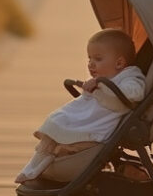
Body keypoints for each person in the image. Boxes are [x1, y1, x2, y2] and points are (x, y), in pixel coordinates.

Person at [15, 28, 146, 183]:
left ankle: (42, 166)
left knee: (60, 136)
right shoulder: (108, 77)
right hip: (87, 123)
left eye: (97, 59)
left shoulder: (130, 77)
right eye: (89, 59)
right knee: (57, 123)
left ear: (119, 62)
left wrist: (101, 84)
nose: (91, 64)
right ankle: (35, 166)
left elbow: (135, 93)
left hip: (95, 132)